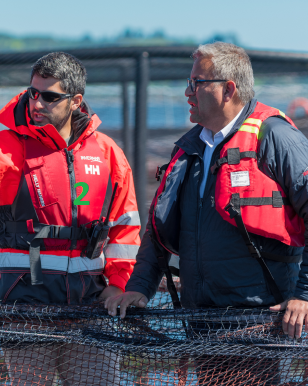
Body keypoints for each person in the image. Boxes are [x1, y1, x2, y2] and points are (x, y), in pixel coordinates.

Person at [0, 52, 140, 384]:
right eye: (32, 93)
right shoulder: (6, 152)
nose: (38, 103)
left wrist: (117, 285)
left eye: (50, 97)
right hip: (24, 303)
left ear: (75, 100)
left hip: (91, 304)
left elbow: (125, 228)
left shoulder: (108, 152)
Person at [105, 42, 308, 384]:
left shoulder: (275, 137)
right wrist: (140, 287)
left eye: (197, 83)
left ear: (228, 89)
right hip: (201, 322)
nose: (188, 92)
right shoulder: (188, 150)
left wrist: (304, 297)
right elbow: (160, 229)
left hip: (259, 324)